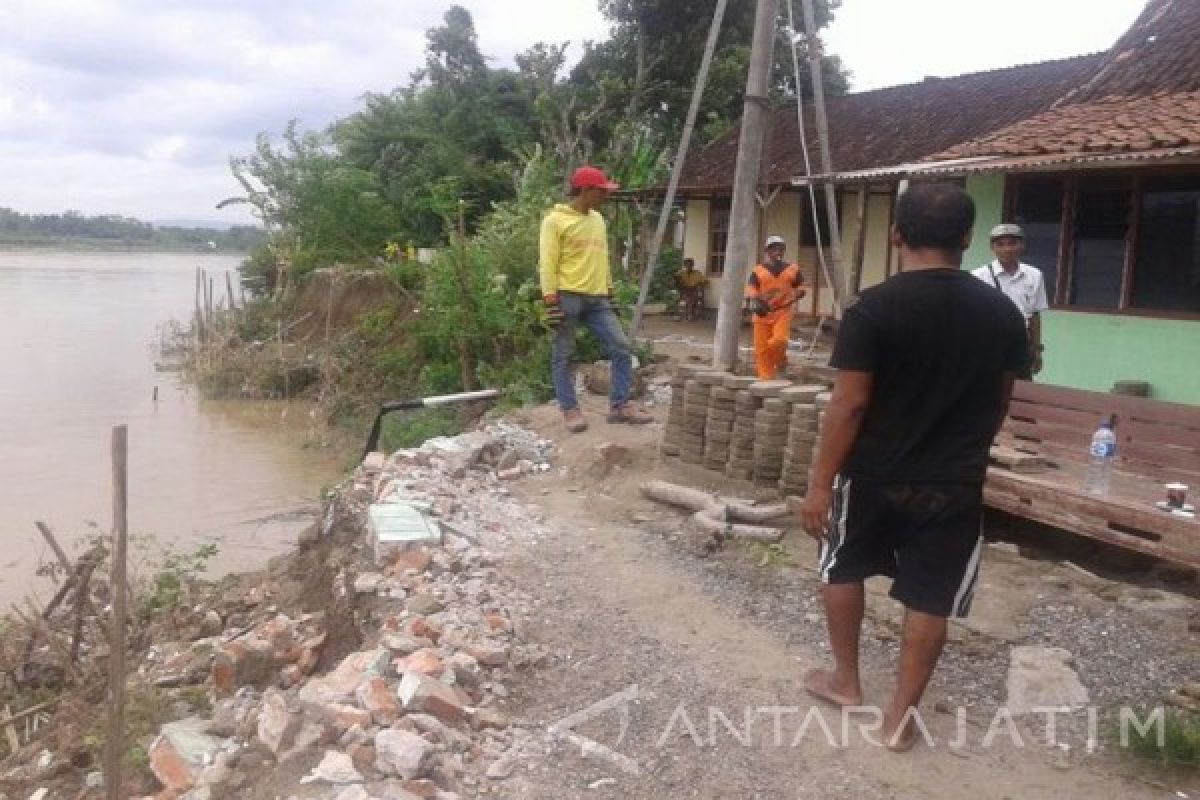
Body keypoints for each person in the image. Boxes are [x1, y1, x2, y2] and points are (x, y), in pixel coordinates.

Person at [797, 184, 1028, 752]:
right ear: (968, 238)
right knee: (930, 595)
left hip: (872, 473)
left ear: (897, 234)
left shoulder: (872, 308)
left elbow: (849, 404)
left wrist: (819, 485)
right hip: (953, 481)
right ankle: (899, 719)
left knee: (842, 567)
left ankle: (846, 682)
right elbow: (1000, 401)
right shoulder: (1002, 312)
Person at [540, 165, 652, 433]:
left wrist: (611, 291)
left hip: (597, 298)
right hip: (567, 296)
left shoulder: (598, 220)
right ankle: (570, 410)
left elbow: (603, 260)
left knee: (622, 347)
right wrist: (550, 299)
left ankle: (619, 405)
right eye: (600, 191)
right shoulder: (554, 221)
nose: (605, 196)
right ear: (585, 190)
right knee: (563, 356)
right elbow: (547, 263)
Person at [971, 224, 1048, 380]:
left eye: (1012, 243)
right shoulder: (979, 276)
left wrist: (1036, 349)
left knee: (1021, 390)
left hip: (1021, 343)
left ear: (1022, 245)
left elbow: (1034, 315)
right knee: (989, 389)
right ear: (992, 248)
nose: (1007, 249)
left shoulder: (1034, 275)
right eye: (1000, 244)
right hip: (990, 343)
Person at [745, 235, 806, 379]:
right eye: (773, 249)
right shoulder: (758, 270)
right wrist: (755, 298)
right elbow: (752, 287)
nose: (777, 252)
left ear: (783, 251)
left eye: (780, 249)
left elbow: (800, 286)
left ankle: (780, 360)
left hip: (782, 311)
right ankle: (766, 379)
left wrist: (799, 293)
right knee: (761, 349)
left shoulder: (793, 269)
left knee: (780, 340)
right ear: (767, 251)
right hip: (763, 312)